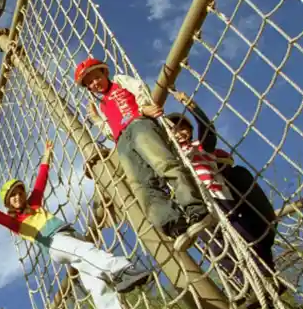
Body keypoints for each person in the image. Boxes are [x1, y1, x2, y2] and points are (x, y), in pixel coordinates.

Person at [0, 140, 150, 309]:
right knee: (85, 251)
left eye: (19, 192)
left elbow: (41, 179)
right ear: (8, 203)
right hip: (53, 242)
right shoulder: (16, 223)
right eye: (12, 196)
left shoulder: (34, 203)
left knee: (96, 282)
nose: (17, 197)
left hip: (70, 234)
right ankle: (123, 268)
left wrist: (47, 154)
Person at [165, 90, 285, 306]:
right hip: (198, 207)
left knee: (243, 235)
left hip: (217, 194)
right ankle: (247, 285)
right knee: (217, 247)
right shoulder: (170, 158)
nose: (179, 133)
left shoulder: (198, 147)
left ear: (189, 131)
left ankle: (266, 276)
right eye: (173, 130)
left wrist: (191, 105)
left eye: (182, 128)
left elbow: (208, 132)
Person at [74, 57, 213, 239]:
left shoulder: (120, 82)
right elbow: (110, 130)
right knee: (141, 185)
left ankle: (195, 208)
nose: (94, 83)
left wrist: (143, 108)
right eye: (89, 83)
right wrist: (97, 120)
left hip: (138, 124)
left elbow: (139, 88)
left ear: (104, 73)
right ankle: (173, 224)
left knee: (164, 164)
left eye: (96, 77)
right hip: (122, 140)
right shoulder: (102, 105)